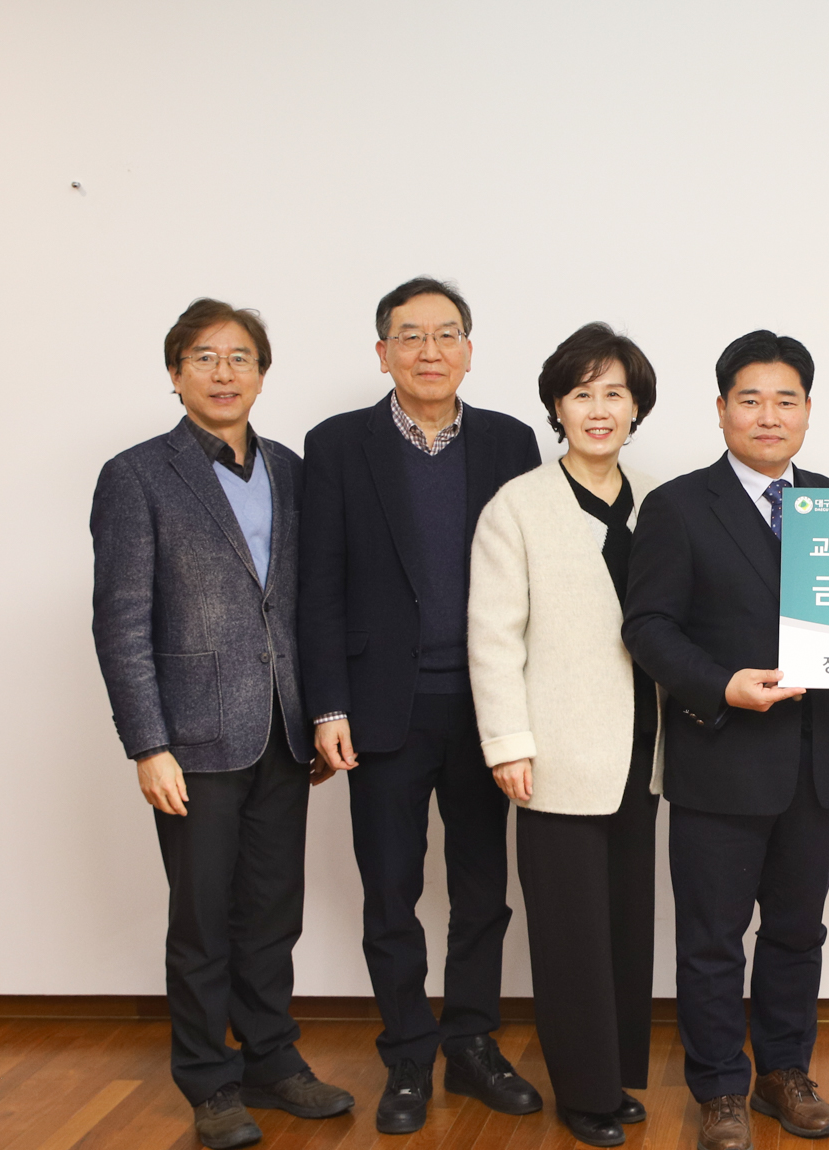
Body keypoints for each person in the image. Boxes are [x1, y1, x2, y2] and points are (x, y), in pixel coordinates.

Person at [91, 299, 354, 1149]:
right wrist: (148, 745)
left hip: (284, 730)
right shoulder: (137, 476)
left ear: (262, 375)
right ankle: (209, 1082)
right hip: (193, 742)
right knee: (203, 920)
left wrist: (321, 712)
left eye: (241, 357)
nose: (224, 373)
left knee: (272, 913)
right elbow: (121, 621)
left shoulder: (292, 470)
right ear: (175, 373)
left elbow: (312, 603)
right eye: (204, 357)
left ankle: (272, 1060)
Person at [298, 277, 544, 1135]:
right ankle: (406, 1052)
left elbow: (535, 582)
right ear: (383, 353)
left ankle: (472, 1044)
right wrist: (327, 706)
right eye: (410, 336)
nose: (429, 351)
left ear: (469, 351)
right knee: (390, 894)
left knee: (483, 893)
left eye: (446, 335)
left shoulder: (510, 442)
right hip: (381, 712)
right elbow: (318, 585)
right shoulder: (337, 445)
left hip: (485, 709)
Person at [622, 331, 829, 1150]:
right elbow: (648, 627)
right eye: (750, 400)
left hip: (817, 764)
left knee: (797, 933)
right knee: (712, 941)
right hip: (719, 761)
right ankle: (721, 1088)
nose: (768, 416)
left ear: (807, 411)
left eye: (785, 400)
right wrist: (721, 684)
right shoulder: (679, 507)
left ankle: (785, 1074)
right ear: (722, 410)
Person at [468, 323, 663, 1147]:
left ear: (636, 407)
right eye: (582, 394)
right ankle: (583, 1095)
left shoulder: (659, 501)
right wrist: (508, 742)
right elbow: (492, 636)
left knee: (625, 923)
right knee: (570, 933)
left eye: (615, 393)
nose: (599, 409)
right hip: (554, 751)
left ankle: (613, 1078)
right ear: (557, 406)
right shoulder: (517, 505)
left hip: (644, 751)